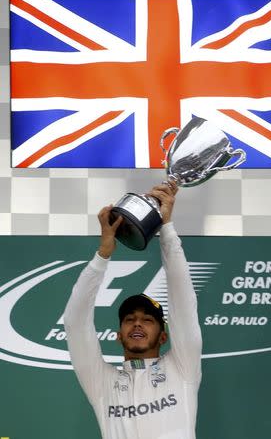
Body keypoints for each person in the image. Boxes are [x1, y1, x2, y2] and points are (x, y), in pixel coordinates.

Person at [64, 182, 202, 439]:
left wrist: (167, 228)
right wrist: (103, 254)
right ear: (118, 335)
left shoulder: (183, 367)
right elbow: (74, 321)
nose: (137, 324)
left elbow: (183, 300)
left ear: (163, 336)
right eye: (129, 319)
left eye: (147, 319)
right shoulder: (102, 384)